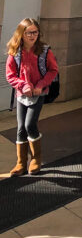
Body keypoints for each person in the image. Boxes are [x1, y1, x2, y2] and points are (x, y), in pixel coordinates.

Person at [6, 19, 59, 176]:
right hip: (22, 94)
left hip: (38, 93)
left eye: (35, 32)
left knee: (30, 125)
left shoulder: (44, 51)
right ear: (21, 34)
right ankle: (21, 163)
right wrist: (23, 85)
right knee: (21, 128)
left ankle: (36, 159)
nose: (32, 35)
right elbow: (10, 75)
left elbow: (53, 70)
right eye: (29, 32)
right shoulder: (15, 51)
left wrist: (40, 85)